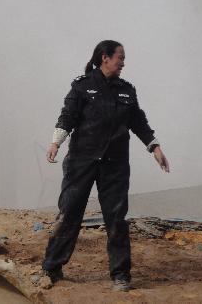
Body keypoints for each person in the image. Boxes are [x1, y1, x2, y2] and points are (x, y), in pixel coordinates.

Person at [42, 40, 169, 291]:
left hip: (115, 165)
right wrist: (56, 142)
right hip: (81, 161)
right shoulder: (82, 86)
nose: (123, 62)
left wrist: (154, 146)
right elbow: (68, 115)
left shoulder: (126, 90)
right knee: (69, 214)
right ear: (105, 57)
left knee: (116, 219)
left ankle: (120, 275)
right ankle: (51, 268)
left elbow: (138, 121)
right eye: (120, 57)